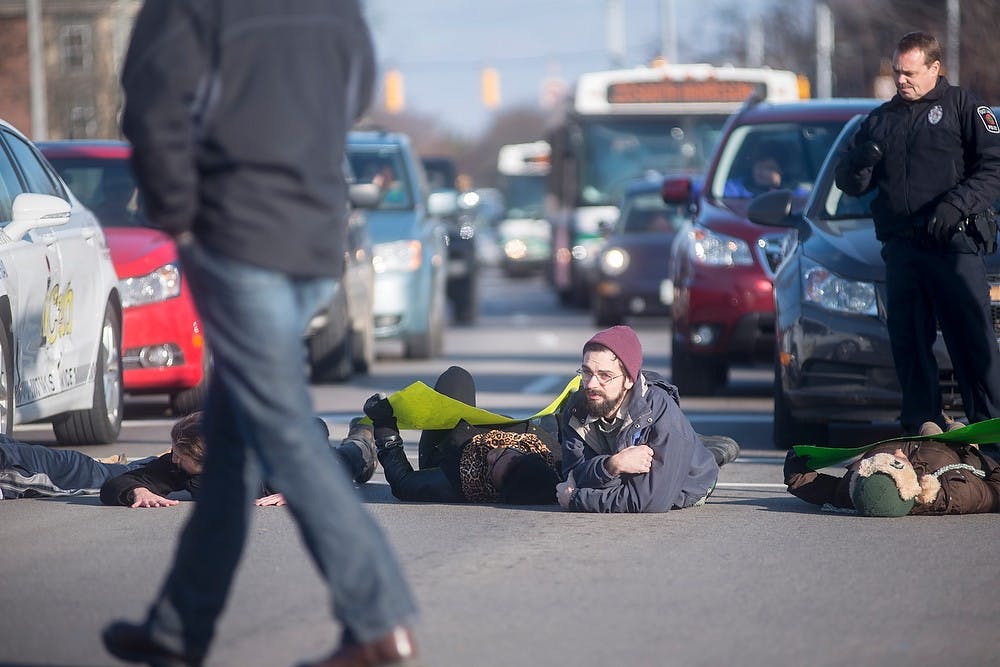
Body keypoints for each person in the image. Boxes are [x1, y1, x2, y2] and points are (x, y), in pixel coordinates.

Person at [103, 3, 419, 667]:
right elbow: (356, 85)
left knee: (284, 432)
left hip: (239, 234)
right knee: (231, 449)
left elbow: (152, 106)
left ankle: (378, 621)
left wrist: (181, 220)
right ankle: (177, 628)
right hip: (313, 235)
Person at [835, 31, 1000, 436]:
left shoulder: (964, 107)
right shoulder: (880, 120)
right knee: (909, 343)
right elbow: (849, 183)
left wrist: (956, 205)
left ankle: (990, 427)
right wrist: (861, 161)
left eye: (910, 73)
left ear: (934, 69)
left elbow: (994, 168)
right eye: (897, 73)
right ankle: (922, 424)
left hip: (953, 245)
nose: (902, 80)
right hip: (903, 249)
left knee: (973, 342)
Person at [556, 325, 740, 513]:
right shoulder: (580, 405)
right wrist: (613, 465)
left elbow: (649, 501)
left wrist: (576, 499)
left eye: (605, 376)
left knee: (691, 455)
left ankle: (706, 452)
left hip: (691, 483)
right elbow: (573, 475)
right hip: (629, 450)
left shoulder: (660, 414)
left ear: (629, 379)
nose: (592, 384)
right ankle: (692, 442)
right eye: (587, 372)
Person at [361, 366, 562, 505]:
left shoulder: (460, 483)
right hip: (480, 426)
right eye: (500, 456)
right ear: (521, 452)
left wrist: (384, 426)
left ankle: (359, 442)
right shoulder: (549, 450)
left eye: (491, 471)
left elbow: (403, 483)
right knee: (461, 376)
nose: (490, 457)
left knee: (454, 379)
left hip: (447, 450)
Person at [784, 421, 1000, 516]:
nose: (897, 454)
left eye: (879, 461)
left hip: (921, 446)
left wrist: (796, 457)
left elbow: (802, 482)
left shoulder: (854, 490)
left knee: (928, 426)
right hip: (951, 453)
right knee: (951, 428)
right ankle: (962, 436)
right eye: (897, 463)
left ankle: (938, 430)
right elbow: (996, 491)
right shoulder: (953, 494)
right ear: (907, 487)